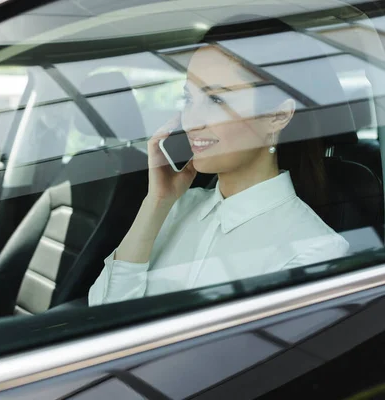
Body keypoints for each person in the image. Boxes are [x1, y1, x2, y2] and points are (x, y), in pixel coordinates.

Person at [88, 17, 350, 306]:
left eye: (216, 100)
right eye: (188, 100)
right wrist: (157, 202)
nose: (191, 122)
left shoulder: (314, 250)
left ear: (278, 116)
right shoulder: (177, 209)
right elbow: (102, 312)